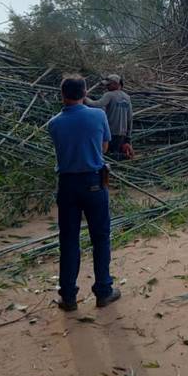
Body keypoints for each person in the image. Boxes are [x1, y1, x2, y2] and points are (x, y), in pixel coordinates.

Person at [47, 75, 121, 311]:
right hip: (94, 183)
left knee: (68, 240)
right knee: (100, 238)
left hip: (67, 185)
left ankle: (68, 297)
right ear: (85, 92)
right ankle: (103, 291)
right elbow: (105, 146)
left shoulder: (54, 123)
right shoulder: (98, 115)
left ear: (62, 95)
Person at [85, 74, 133, 160]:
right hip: (122, 133)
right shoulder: (127, 98)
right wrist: (128, 138)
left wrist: (84, 98)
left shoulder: (109, 95)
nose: (106, 86)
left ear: (116, 84)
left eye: (108, 84)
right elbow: (130, 118)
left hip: (110, 131)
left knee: (106, 155)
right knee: (115, 154)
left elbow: (97, 105)